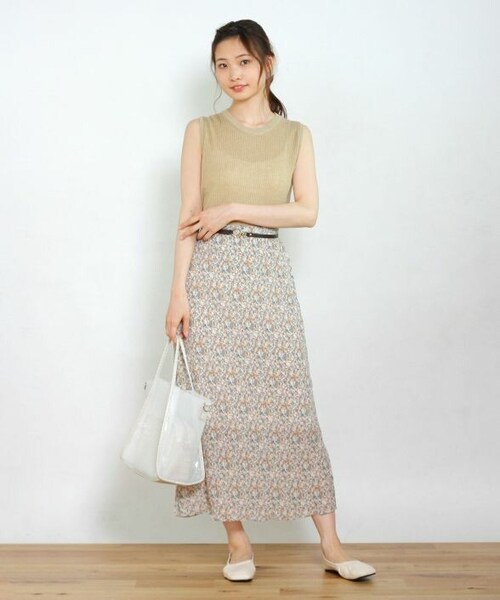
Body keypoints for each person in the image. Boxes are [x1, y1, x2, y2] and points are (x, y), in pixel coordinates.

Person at [164, 19, 376, 583]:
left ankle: (331, 544)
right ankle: (238, 544)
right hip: (210, 279)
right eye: (222, 64)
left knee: (293, 407)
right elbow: (187, 216)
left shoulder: (295, 134)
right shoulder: (201, 130)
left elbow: (307, 211)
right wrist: (177, 292)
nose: (233, 74)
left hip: (267, 276)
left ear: (268, 64)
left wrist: (234, 207)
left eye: (244, 62)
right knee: (217, 415)